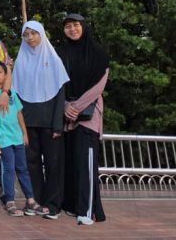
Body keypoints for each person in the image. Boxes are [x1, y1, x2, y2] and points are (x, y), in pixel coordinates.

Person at [11, 20, 68, 219]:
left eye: (34, 33)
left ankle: (53, 204)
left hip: (50, 123)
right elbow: (16, 96)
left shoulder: (54, 60)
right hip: (27, 123)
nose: (30, 38)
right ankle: (35, 201)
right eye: (26, 35)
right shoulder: (20, 62)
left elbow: (60, 95)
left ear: (42, 34)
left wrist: (58, 125)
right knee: (31, 164)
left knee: (53, 164)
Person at [56, 14, 109, 226]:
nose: (72, 29)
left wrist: (75, 107)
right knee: (69, 162)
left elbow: (99, 86)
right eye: (68, 26)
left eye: (76, 25)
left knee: (86, 162)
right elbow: (54, 82)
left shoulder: (97, 53)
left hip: (89, 116)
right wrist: (65, 106)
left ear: (84, 27)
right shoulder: (60, 53)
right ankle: (71, 205)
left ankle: (86, 211)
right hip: (66, 116)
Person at [0, 61, 37, 217]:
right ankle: (9, 201)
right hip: (3, 140)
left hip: (17, 138)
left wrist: (24, 133)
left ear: (6, 75)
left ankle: (30, 200)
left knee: (23, 168)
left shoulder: (11, 92)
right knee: (8, 170)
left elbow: (19, 113)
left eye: (0, 71)